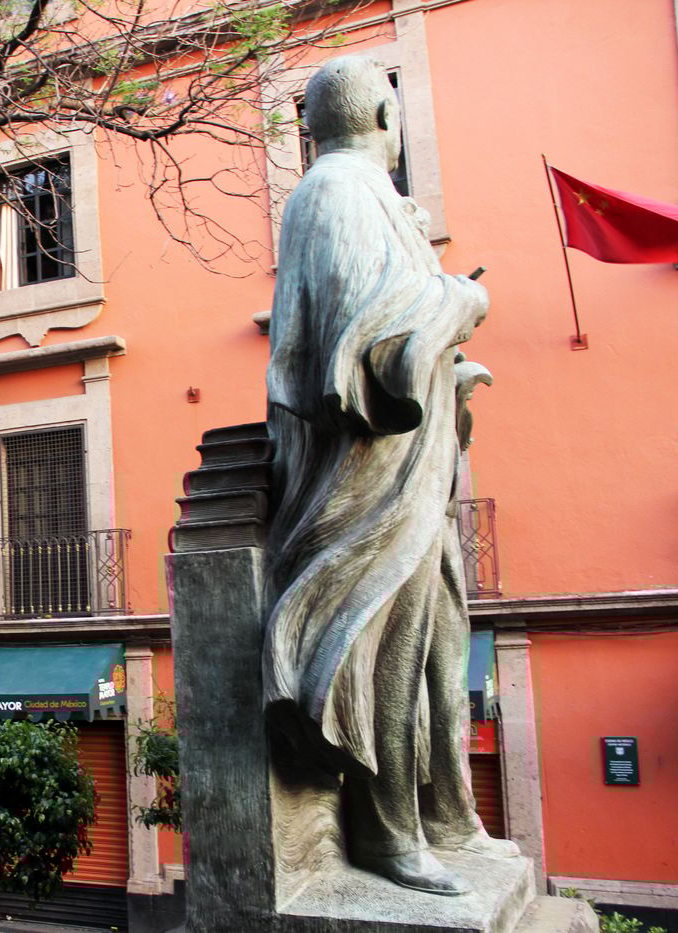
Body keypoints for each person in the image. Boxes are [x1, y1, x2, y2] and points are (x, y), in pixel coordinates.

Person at [262, 55, 517, 896]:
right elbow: (360, 339)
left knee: (439, 654)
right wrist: (458, 303)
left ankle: (443, 816)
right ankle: (385, 831)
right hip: (367, 486)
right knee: (384, 653)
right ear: (380, 115)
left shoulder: (368, 197)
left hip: (413, 473)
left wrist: (450, 359)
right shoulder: (333, 192)